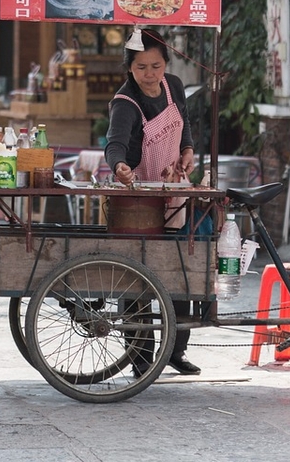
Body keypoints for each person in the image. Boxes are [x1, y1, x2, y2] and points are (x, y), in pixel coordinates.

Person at [104, 28, 200, 377]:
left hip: (173, 191)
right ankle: (140, 356)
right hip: (138, 200)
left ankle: (176, 349)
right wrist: (119, 167)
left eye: (156, 66)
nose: (150, 74)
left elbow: (184, 123)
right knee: (137, 279)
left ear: (166, 64)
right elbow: (113, 144)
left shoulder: (173, 85)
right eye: (142, 67)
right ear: (129, 67)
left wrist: (187, 150)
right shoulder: (125, 102)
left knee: (180, 270)